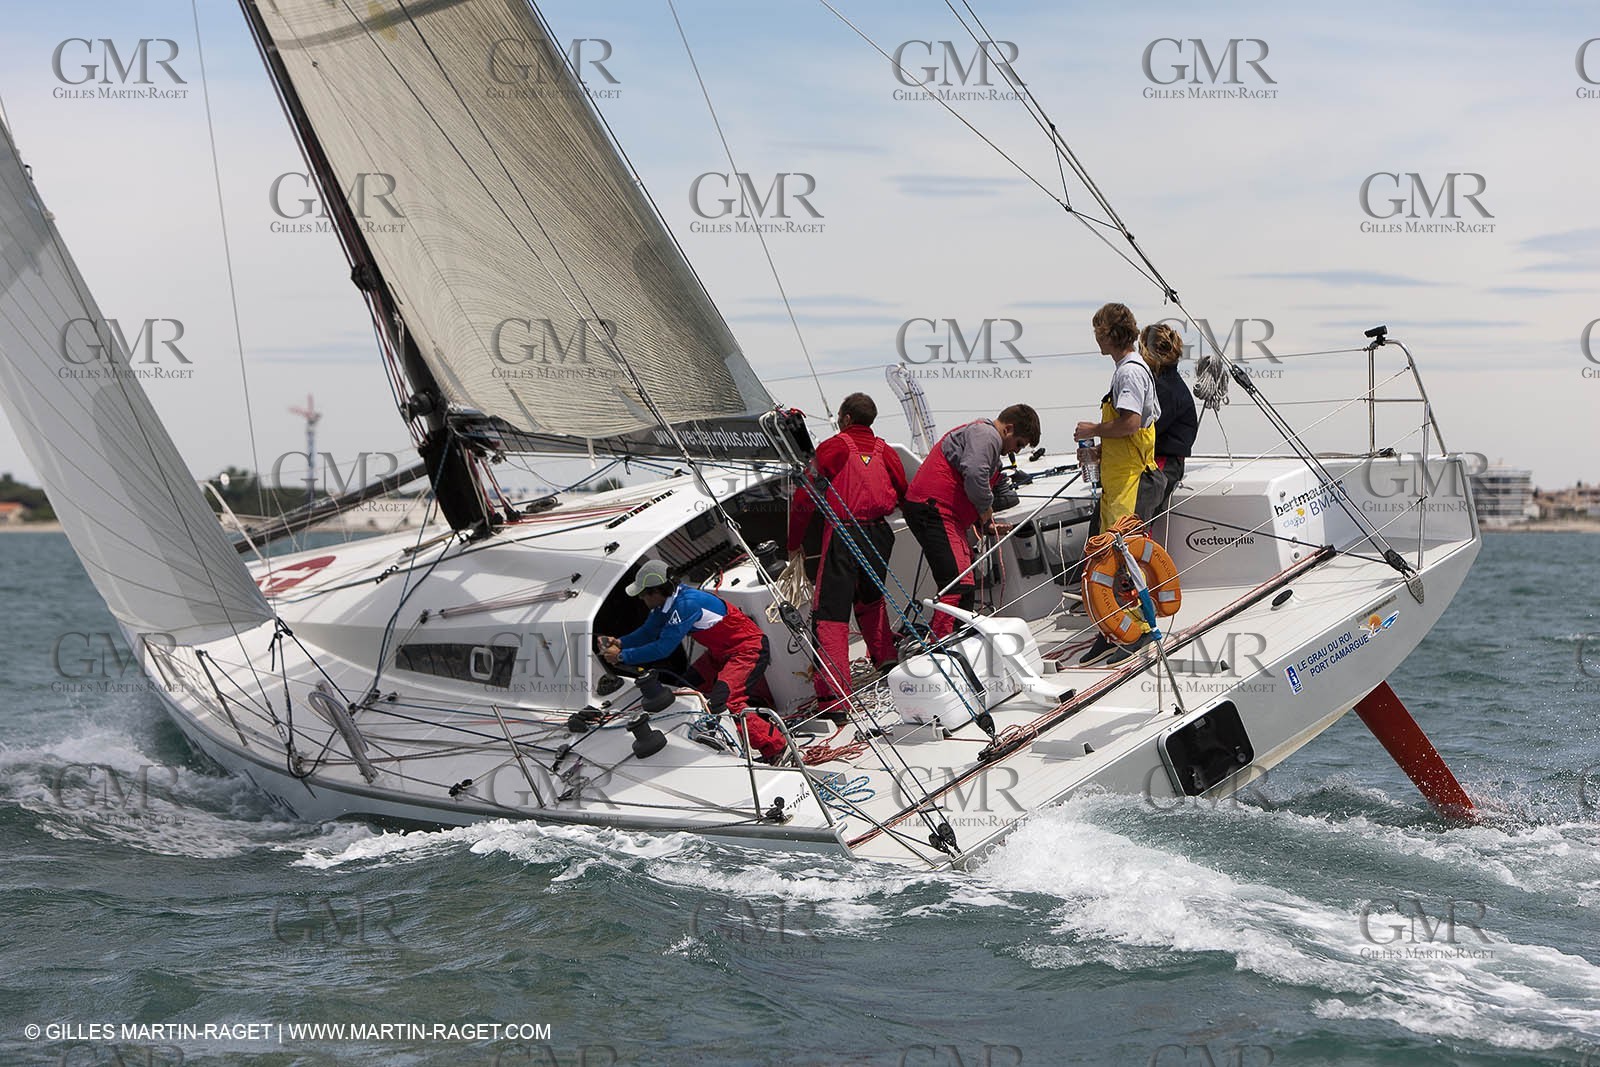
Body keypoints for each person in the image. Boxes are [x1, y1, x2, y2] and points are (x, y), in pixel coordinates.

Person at [788, 392, 908, 716]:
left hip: (843, 533)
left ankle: (835, 699)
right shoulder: (886, 451)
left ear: (845, 418)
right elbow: (903, 492)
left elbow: (804, 498)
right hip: (880, 535)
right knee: (871, 600)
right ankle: (886, 660)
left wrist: (793, 542)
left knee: (830, 615)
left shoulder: (835, 446)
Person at [599, 559, 788, 763]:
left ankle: (776, 746)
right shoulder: (665, 604)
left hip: (747, 650)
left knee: (725, 701)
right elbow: (648, 631)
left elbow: (663, 648)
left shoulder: (687, 605)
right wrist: (620, 642)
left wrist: (621, 656)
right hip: (720, 654)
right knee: (685, 689)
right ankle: (713, 735)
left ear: (656, 592)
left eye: (643, 594)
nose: (641, 599)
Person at [902, 404, 1042, 639]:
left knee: (963, 580)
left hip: (943, 514)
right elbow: (976, 475)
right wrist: (987, 514)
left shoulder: (984, 439)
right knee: (957, 581)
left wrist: (985, 524)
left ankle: (959, 638)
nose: (1013, 452)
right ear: (1008, 429)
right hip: (934, 509)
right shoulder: (986, 436)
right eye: (1018, 444)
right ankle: (943, 643)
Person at [1074, 303, 1161, 667]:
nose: (1095, 335)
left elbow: (1129, 424)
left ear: (1111, 334)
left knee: (1123, 559)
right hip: (1116, 478)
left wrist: (1093, 430)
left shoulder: (1129, 373)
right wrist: (1097, 455)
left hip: (1129, 481)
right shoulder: (1127, 370)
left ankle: (1138, 629)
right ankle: (1113, 630)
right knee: (1107, 557)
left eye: (1098, 329)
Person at [1139, 322, 1198, 538]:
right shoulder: (1165, 384)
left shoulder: (1165, 389)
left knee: (1134, 522)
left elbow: (1145, 432)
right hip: (1162, 460)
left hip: (1164, 462)